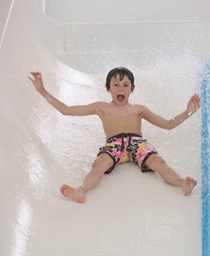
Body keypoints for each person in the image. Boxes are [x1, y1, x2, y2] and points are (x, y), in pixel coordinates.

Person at [28, 67, 200, 203]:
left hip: (137, 142)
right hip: (114, 144)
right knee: (98, 164)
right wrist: (42, 90)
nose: (120, 88)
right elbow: (66, 110)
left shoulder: (138, 109)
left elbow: (168, 124)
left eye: (125, 85)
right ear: (108, 88)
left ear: (132, 89)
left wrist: (188, 112)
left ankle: (182, 182)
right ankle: (81, 190)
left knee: (158, 162)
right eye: (116, 84)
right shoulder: (101, 107)